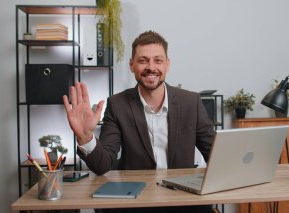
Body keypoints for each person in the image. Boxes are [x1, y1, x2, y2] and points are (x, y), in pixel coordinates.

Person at [63, 30, 216, 213]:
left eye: (158, 60)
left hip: (181, 199)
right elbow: (103, 165)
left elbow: (215, 153)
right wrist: (86, 137)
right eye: (143, 61)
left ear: (167, 65)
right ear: (132, 65)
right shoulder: (117, 104)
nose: (151, 67)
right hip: (135, 201)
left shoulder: (191, 102)